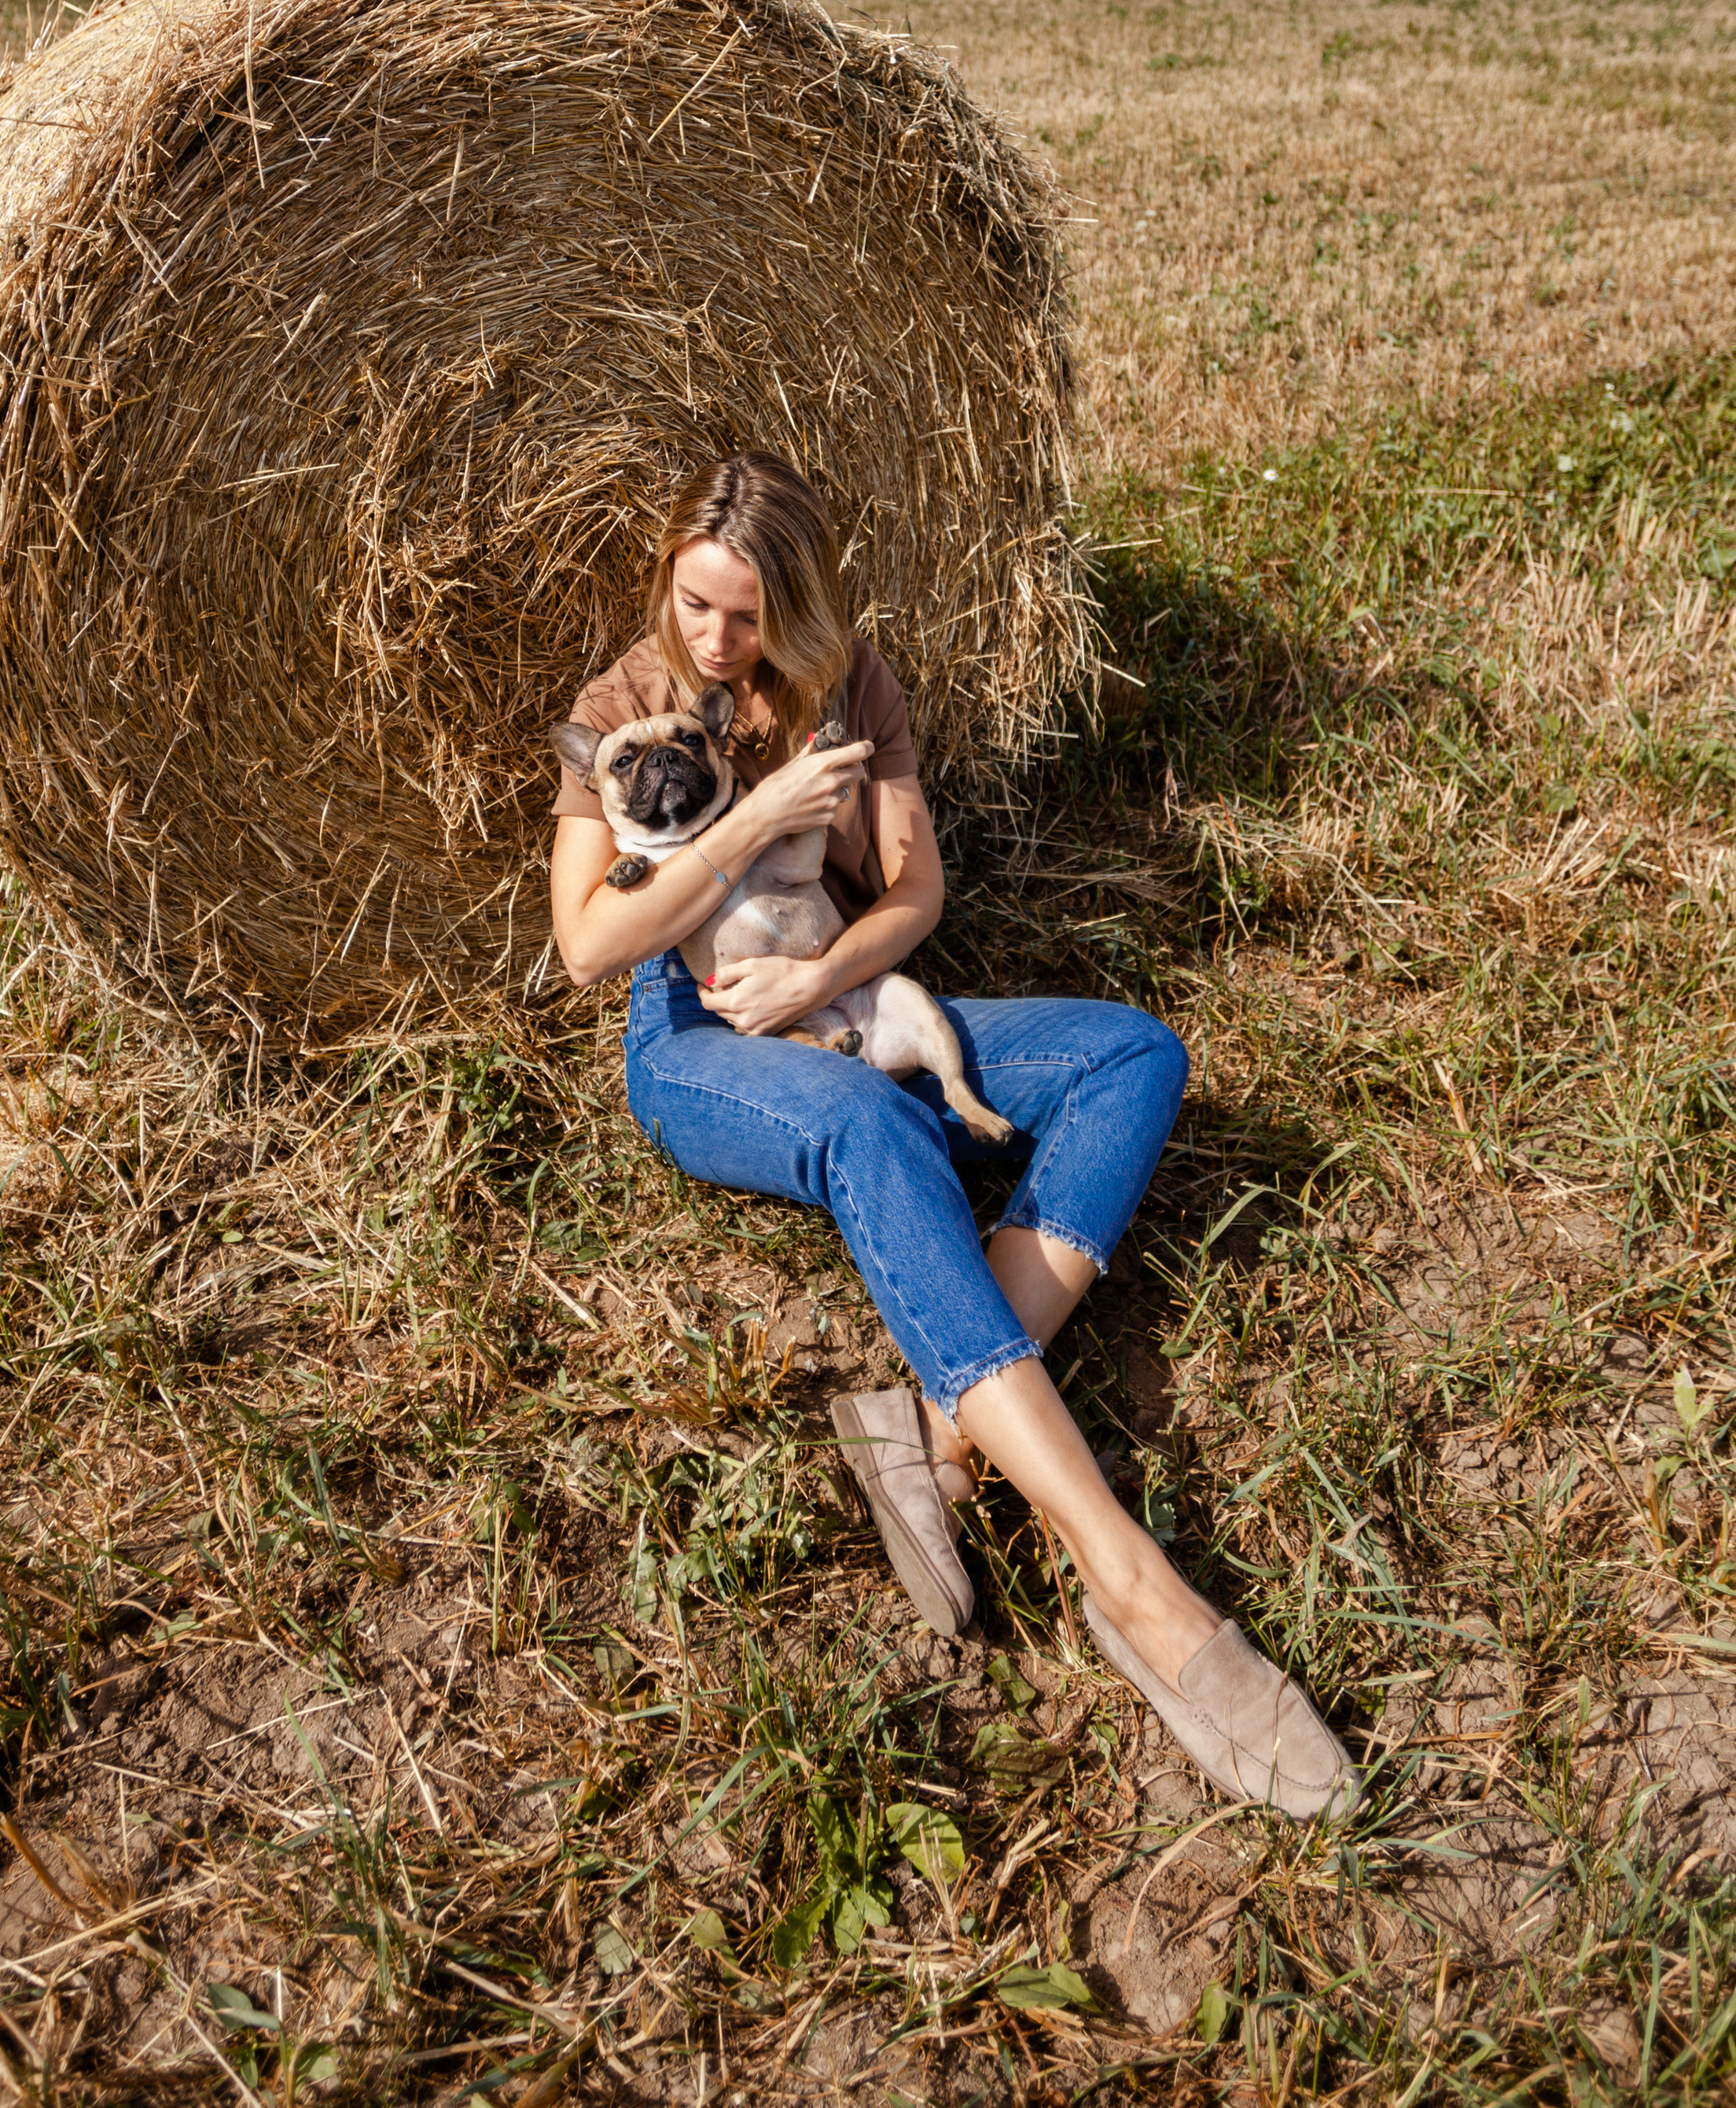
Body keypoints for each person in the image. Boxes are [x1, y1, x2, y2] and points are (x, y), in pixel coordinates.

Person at [548, 451, 1355, 1822]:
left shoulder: (854, 683)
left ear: (799, 602)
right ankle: (1130, 1581)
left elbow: (914, 894)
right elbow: (587, 944)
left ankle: (933, 1408)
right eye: (695, 607)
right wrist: (747, 823)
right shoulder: (627, 706)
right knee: (871, 1121)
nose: (715, 641)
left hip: (842, 985)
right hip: (697, 1036)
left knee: (1131, 1053)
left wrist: (821, 980)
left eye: (746, 615)